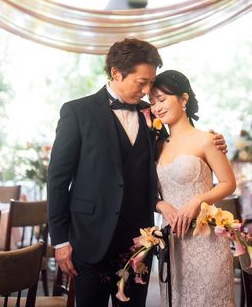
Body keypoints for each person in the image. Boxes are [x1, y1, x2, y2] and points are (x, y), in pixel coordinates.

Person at [48, 38, 226, 306]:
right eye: (141, 82)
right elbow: (57, 180)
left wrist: (215, 142)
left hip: (139, 241)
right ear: (116, 73)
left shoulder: (152, 113)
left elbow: (177, 148)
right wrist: (60, 241)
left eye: (150, 83)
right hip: (89, 239)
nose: (146, 91)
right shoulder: (77, 112)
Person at [150, 70, 236, 307]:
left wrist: (197, 201)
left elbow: (229, 183)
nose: (157, 107)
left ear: (183, 99)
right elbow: (147, 191)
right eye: (153, 102)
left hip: (206, 240)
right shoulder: (156, 145)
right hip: (173, 242)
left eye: (162, 99)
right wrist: (161, 204)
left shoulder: (207, 139)